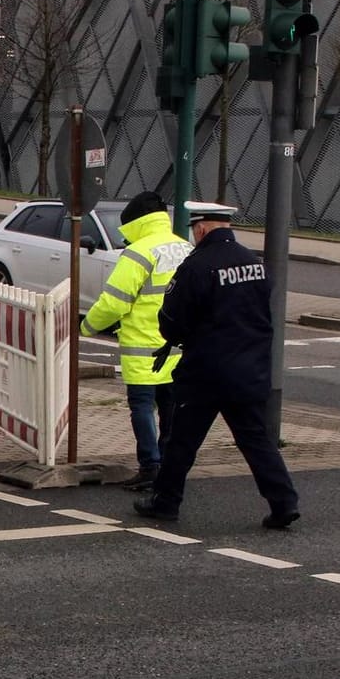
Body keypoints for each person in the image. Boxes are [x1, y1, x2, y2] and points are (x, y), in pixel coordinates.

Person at [133, 202, 300, 529]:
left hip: (205, 373)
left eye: (194, 230)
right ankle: (284, 502)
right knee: (256, 440)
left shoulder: (197, 266)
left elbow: (172, 320)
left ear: (201, 228)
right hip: (249, 371)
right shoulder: (254, 263)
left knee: (181, 440)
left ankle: (166, 502)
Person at [81, 190, 191, 492]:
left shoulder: (138, 253)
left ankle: (150, 466)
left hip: (144, 348)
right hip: (180, 347)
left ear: (136, 223)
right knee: (170, 407)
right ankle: (170, 465)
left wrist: (87, 326)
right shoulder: (185, 248)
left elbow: (114, 303)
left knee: (142, 406)